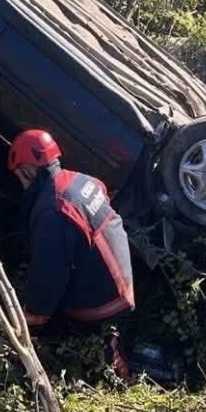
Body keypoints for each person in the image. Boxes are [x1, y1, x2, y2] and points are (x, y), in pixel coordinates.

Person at [7, 129, 135, 333]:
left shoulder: (53, 211)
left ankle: (101, 342)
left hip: (98, 307)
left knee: (46, 315)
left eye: (19, 178)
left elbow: (48, 273)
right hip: (125, 286)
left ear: (27, 171)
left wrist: (31, 317)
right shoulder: (83, 180)